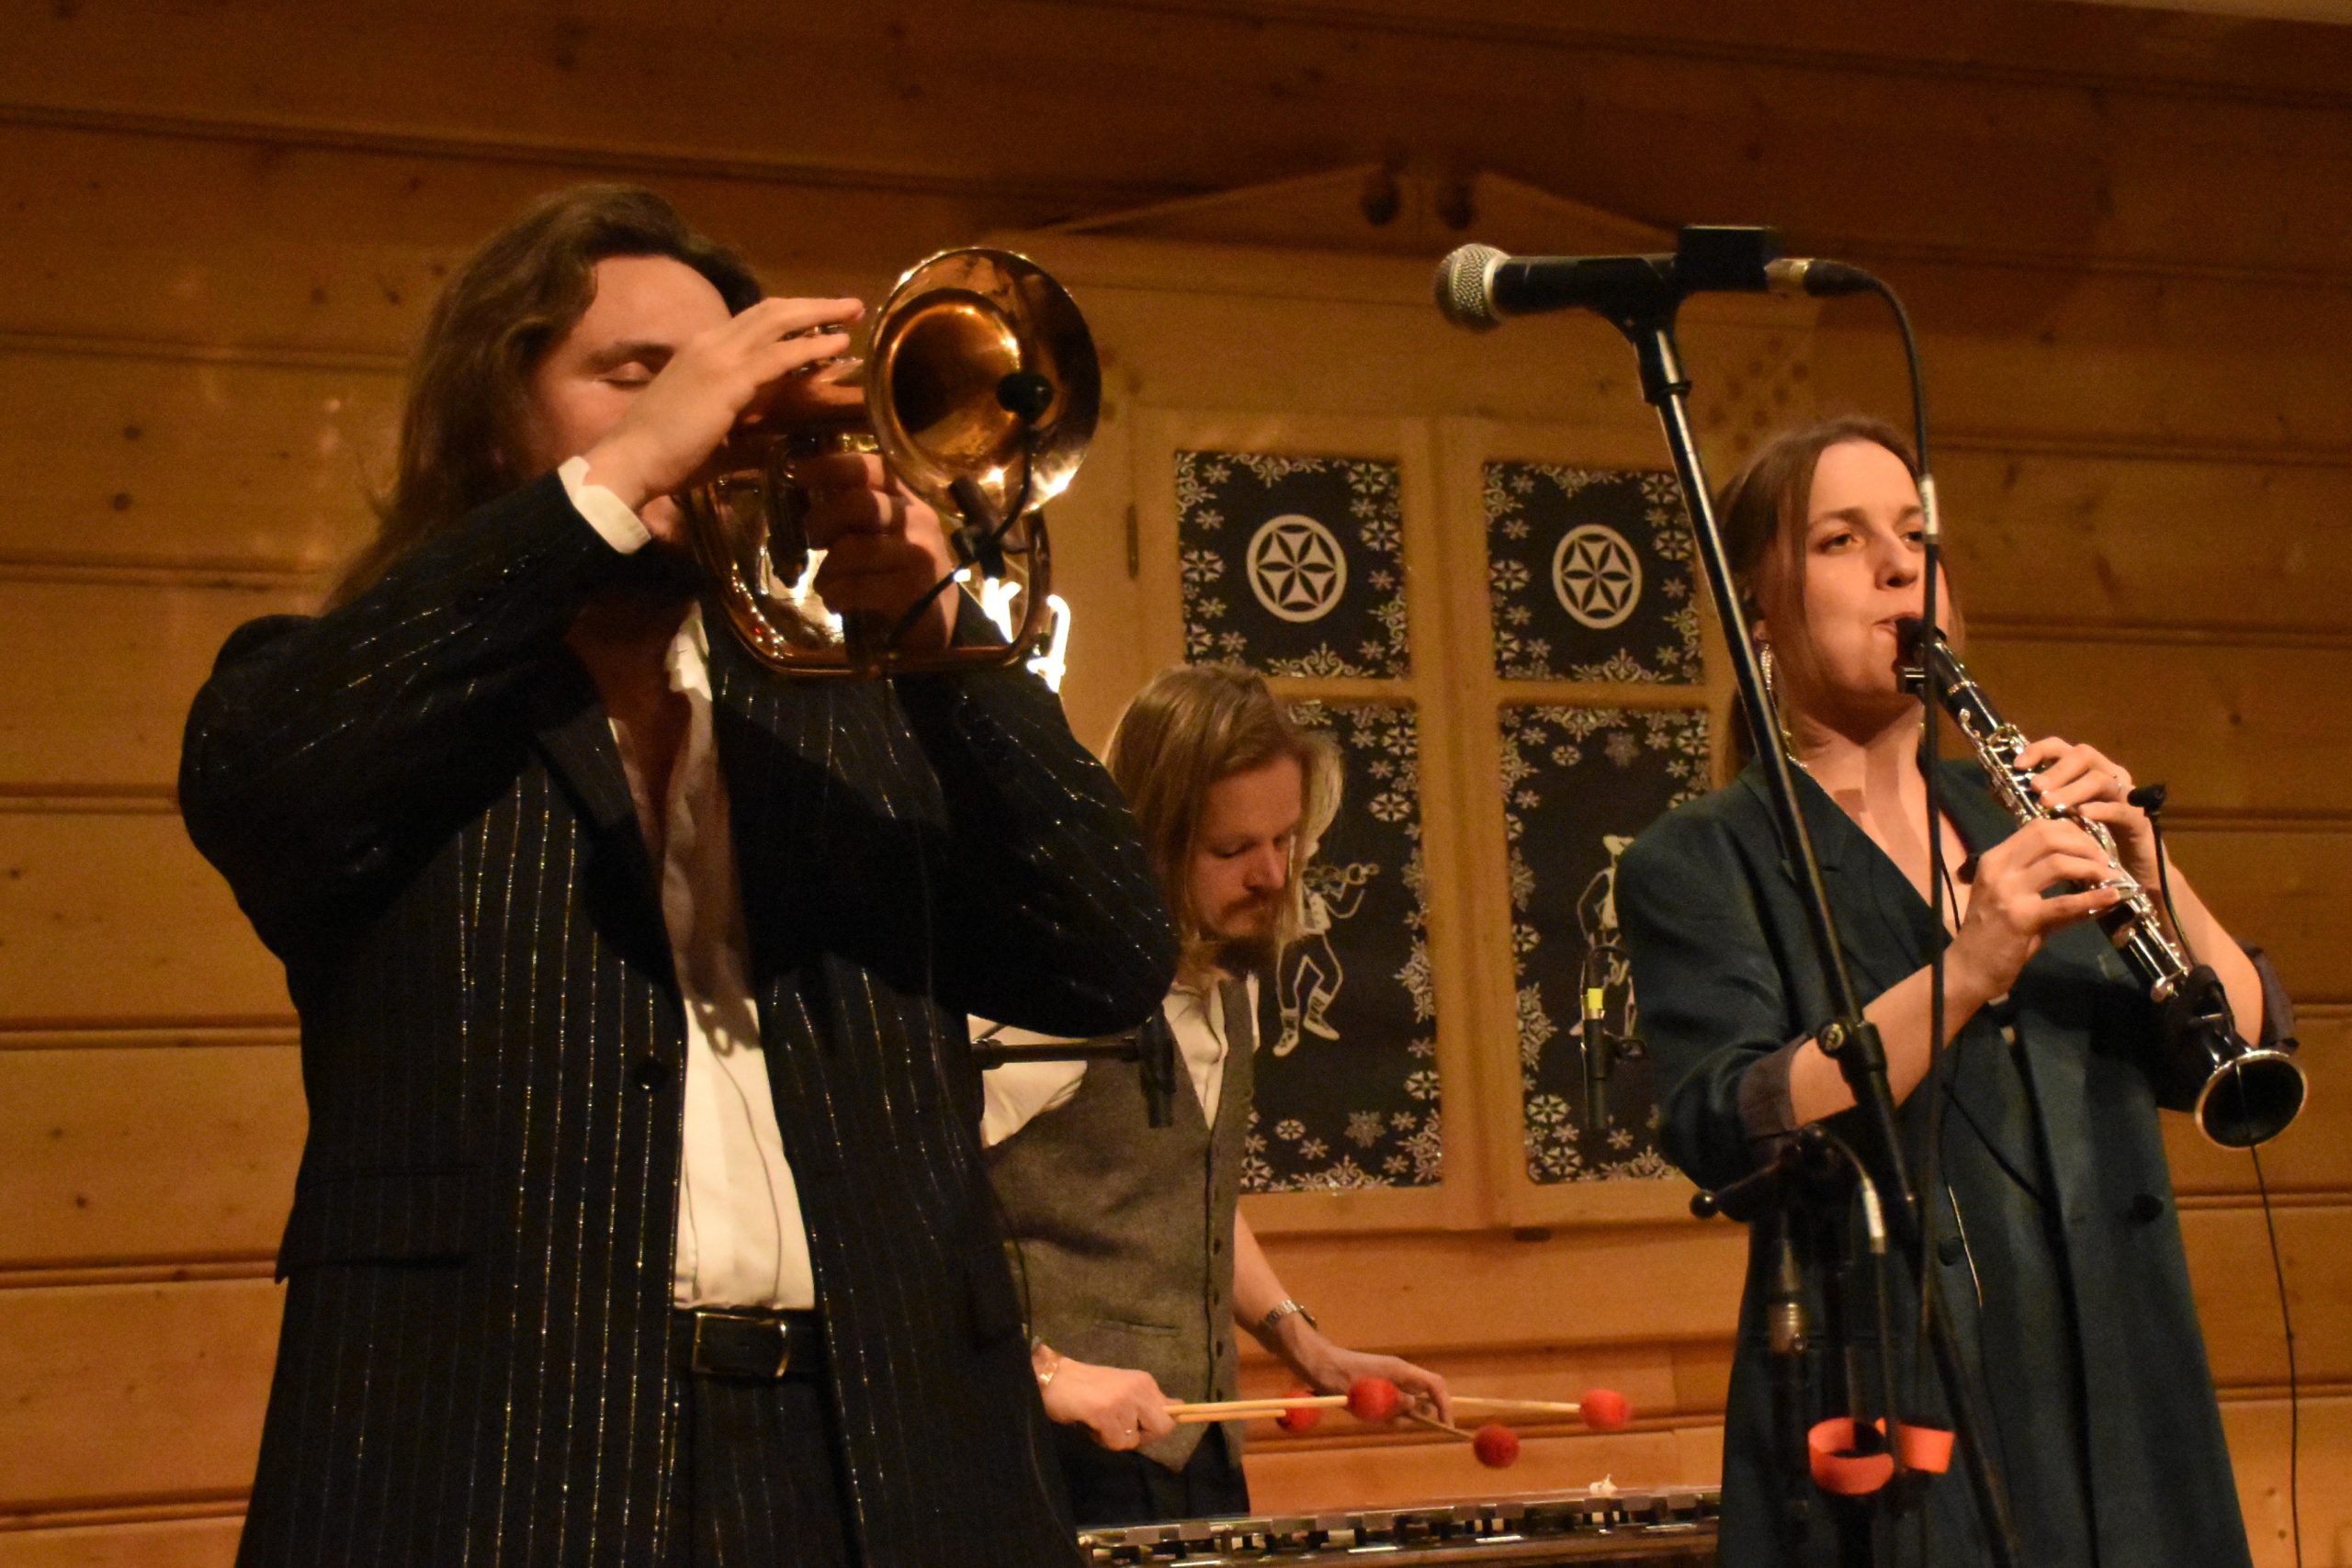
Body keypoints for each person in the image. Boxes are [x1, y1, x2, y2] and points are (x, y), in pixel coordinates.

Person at [178, 185, 1178, 1568]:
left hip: (893, 1469)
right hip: (499, 1466)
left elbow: (1107, 956)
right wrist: (622, 474)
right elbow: (264, 781)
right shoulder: (360, 699)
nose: (714, 414)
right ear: (493, 420)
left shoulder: (859, 710)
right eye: (635, 374)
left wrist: (940, 631)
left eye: (725, 379)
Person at [1616, 415, 2291, 1567]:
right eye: (1840, 539)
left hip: (2127, 1394)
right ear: (1756, 610)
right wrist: (1966, 972)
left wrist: (2149, 867)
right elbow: (1734, 1121)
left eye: (1913, 533)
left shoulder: (2016, 817)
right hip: (1903, 1407)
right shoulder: (1704, 858)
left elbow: (2238, 1039)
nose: (1897, 565)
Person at [979, 664, 1450, 1527]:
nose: (1272, 875)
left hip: (1196, 1443)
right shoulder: (1052, 988)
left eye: (1286, 841)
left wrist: (1304, 1342)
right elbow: (906, 1199)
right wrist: (1044, 1369)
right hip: (1053, 1454)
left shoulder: (1231, 987)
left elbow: (1190, 1191)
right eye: (1232, 851)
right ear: (1148, 840)